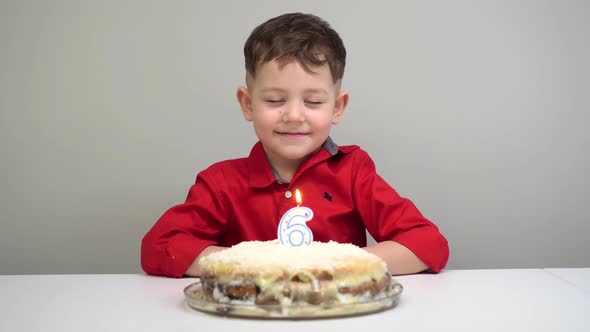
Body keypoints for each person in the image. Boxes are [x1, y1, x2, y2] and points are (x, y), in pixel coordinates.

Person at [141, 12, 449, 278]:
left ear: (337, 107)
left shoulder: (354, 172)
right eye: (274, 100)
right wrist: (249, 264)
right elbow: (158, 247)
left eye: (313, 101)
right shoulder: (220, 183)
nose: (293, 115)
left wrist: (336, 264)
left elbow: (428, 244)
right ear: (247, 104)